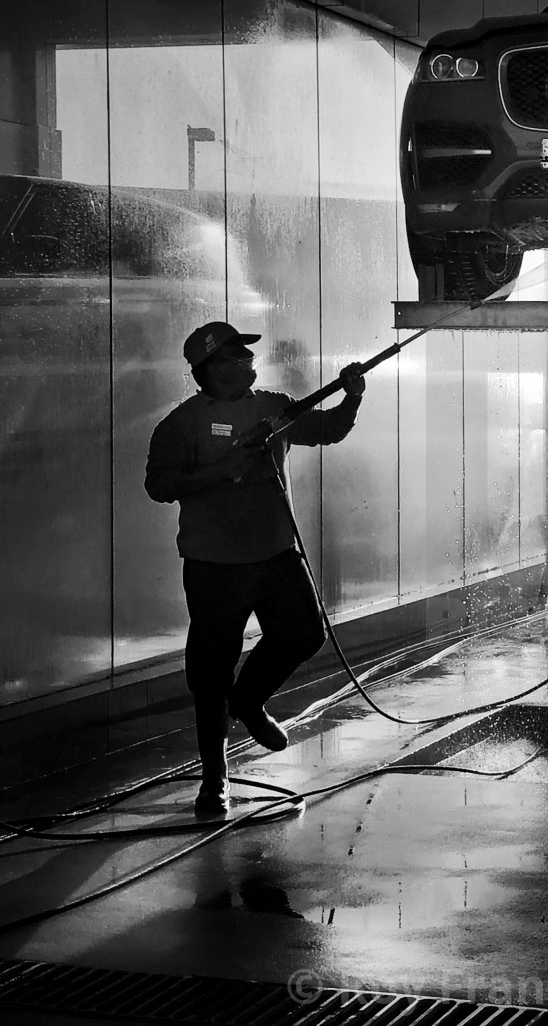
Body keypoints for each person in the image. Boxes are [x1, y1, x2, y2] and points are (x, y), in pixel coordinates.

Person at [145, 321, 367, 816]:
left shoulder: (272, 407)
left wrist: (351, 397)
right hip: (214, 566)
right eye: (236, 356)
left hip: (275, 555)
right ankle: (214, 779)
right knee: (210, 673)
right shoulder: (180, 426)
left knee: (305, 633)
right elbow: (159, 485)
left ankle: (248, 701)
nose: (249, 361)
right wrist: (222, 470)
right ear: (211, 368)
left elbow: (326, 429)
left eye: (247, 355)